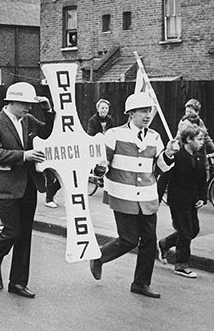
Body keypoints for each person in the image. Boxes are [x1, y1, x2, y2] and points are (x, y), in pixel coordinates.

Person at [89, 92, 179, 299]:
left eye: (149, 110)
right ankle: (99, 257)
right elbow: (101, 166)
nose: (147, 115)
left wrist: (169, 154)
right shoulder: (114, 134)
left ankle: (141, 283)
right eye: (142, 111)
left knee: (149, 240)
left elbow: (160, 168)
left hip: (147, 196)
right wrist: (101, 167)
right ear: (131, 113)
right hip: (122, 194)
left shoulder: (155, 137)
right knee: (129, 239)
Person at [0, 82, 54, 299]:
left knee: (25, 235)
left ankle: (18, 282)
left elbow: (48, 133)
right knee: (12, 230)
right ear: (11, 101)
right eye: (25, 104)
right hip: (6, 188)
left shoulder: (29, 121)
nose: (28, 108)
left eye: (31, 105)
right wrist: (24, 156)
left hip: (29, 186)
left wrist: (49, 110)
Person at [158, 123, 207, 279]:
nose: (202, 142)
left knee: (193, 230)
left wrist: (202, 197)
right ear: (188, 139)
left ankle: (164, 244)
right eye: (199, 139)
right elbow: (164, 177)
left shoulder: (199, 156)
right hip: (178, 199)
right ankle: (181, 265)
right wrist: (156, 199)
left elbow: (201, 180)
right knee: (185, 232)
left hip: (192, 200)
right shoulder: (177, 156)